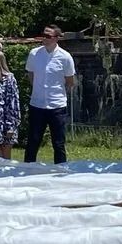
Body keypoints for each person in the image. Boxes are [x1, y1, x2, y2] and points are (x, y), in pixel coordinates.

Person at [23, 24, 77, 164]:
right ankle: (27, 168)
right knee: (33, 140)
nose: (44, 38)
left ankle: (60, 171)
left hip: (57, 105)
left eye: (48, 36)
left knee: (58, 143)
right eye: (43, 35)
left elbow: (70, 81)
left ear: (56, 38)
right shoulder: (34, 54)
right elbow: (31, 74)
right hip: (37, 104)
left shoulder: (65, 57)